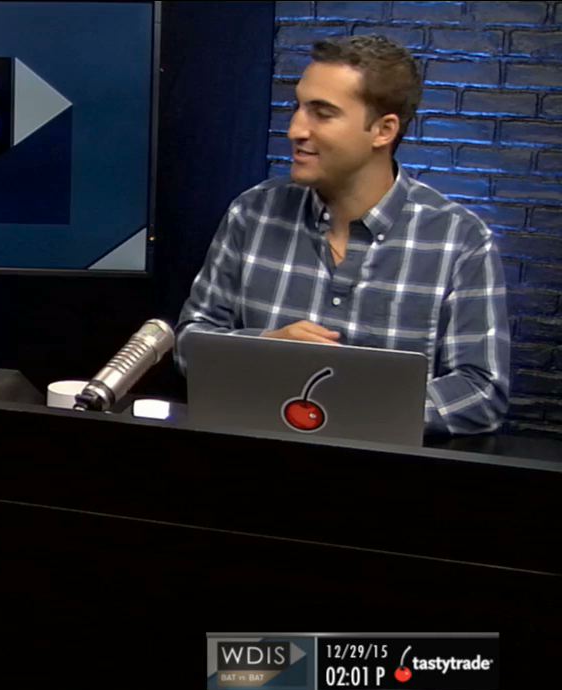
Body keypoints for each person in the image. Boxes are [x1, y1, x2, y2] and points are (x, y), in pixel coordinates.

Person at [176, 35, 509, 436]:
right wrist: (266, 350)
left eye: (322, 113)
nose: (295, 130)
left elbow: (481, 390)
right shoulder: (252, 213)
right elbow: (189, 343)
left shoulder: (460, 240)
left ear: (383, 130)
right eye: (297, 107)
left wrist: (346, 405)